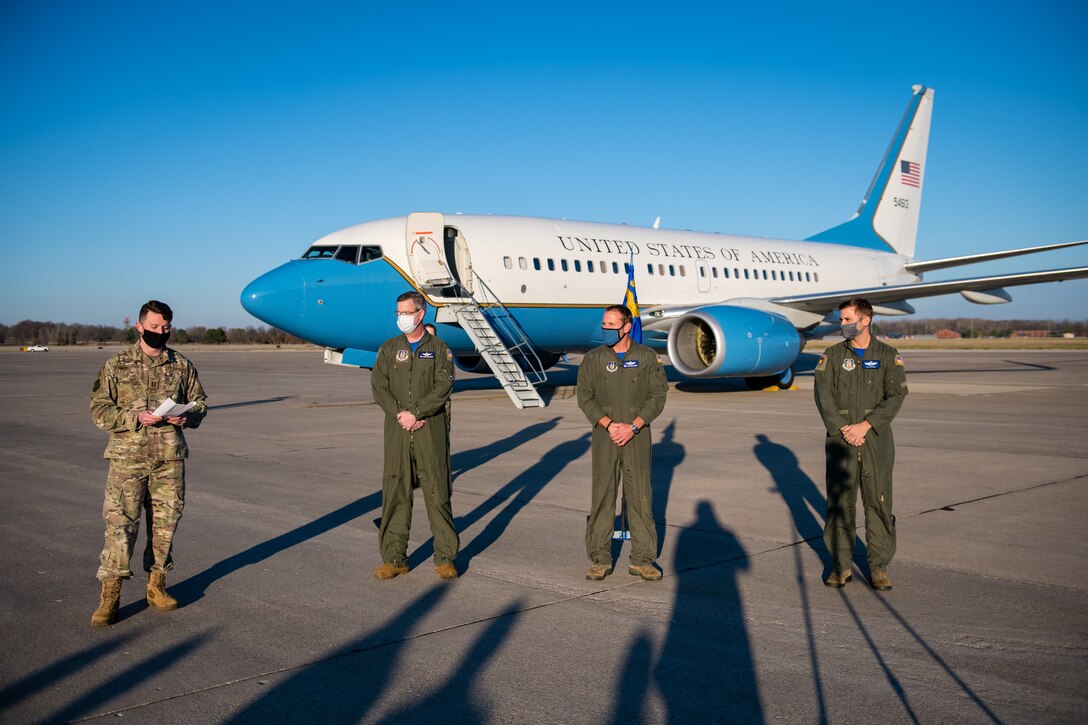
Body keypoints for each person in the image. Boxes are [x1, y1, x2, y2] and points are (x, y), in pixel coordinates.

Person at [89, 300, 208, 627]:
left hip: (169, 458)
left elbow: (200, 402)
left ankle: (157, 585)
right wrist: (133, 417)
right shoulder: (117, 365)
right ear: (140, 327)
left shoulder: (181, 365)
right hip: (128, 459)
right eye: (155, 327)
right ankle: (110, 593)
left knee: (165, 525)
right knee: (120, 524)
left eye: (166, 327)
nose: (161, 332)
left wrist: (189, 416)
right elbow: (99, 410)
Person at [814, 298, 908, 591]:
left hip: (875, 441)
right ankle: (840, 566)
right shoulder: (830, 356)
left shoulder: (888, 356)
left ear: (865, 320)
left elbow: (895, 396)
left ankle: (878, 567)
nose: (842, 324)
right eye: (841, 320)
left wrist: (865, 426)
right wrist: (844, 429)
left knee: (878, 502)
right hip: (841, 441)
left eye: (846, 319)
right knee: (840, 504)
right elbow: (823, 396)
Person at [371, 291, 459, 579]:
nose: (401, 318)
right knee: (395, 494)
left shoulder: (440, 349)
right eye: (398, 313)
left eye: (406, 313)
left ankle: (445, 557)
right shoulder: (388, 348)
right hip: (397, 431)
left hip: (428, 430)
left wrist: (417, 413)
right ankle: (394, 558)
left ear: (420, 314)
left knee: (437, 492)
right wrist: (401, 414)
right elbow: (379, 386)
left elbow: (443, 386)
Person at [576, 304, 668, 581]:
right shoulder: (593, 359)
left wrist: (634, 426)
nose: (606, 329)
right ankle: (600, 558)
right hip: (605, 435)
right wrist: (609, 424)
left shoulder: (647, 357)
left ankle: (642, 559)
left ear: (626, 327)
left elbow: (657, 396)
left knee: (640, 495)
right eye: (603, 324)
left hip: (636, 436)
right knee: (602, 495)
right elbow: (585, 398)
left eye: (611, 324)